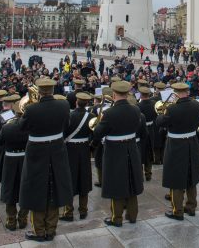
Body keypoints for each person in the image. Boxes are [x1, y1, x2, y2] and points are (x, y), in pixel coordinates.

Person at [18, 77, 72, 242]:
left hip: (36, 152)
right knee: (55, 188)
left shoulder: (32, 109)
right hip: (57, 149)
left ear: (39, 92)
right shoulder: (64, 105)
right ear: (53, 91)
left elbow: (22, 127)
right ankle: (51, 229)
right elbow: (66, 124)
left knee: (36, 190)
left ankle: (39, 231)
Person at [92, 80, 143, 227]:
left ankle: (117, 217)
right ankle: (132, 216)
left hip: (115, 151)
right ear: (127, 94)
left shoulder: (109, 113)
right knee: (132, 182)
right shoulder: (136, 110)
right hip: (131, 148)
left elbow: (98, 133)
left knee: (116, 184)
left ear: (114, 94)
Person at [156, 82, 199, 220]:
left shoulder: (172, 109)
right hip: (192, 142)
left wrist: (160, 113)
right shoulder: (196, 105)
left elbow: (160, 122)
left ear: (175, 93)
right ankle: (191, 206)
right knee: (191, 174)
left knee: (176, 176)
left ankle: (177, 210)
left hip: (176, 144)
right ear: (187, 92)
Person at [0, 100, 29, 231]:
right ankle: (22, 218)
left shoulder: (7, 127)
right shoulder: (29, 127)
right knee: (25, 189)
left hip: (9, 161)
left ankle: (11, 220)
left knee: (10, 191)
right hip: (25, 160)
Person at [60, 92, 93, 222]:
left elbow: (63, 133)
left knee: (70, 179)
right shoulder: (91, 116)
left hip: (70, 150)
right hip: (84, 149)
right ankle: (83, 210)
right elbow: (94, 133)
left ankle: (68, 212)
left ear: (76, 102)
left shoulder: (69, 116)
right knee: (84, 178)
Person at [137, 85, 156, 181]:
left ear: (141, 95)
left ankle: (140, 174)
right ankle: (148, 173)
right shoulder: (154, 103)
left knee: (140, 152)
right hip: (151, 129)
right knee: (149, 152)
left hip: (141, 130)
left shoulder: (138, 106)